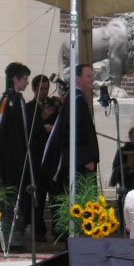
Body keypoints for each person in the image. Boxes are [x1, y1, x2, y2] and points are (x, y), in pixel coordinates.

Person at [42, 64, 100, 223]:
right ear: (77, 78)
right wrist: (87, 157)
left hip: (77, 160)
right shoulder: (77, 100)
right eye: (88, 76)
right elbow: (80, 132)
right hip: (80, 163)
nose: (92, 79)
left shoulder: (75, 98)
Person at [0, 62, 32, 250]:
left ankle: (10, 239)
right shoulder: (12, 100)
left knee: (11, 199)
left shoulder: (8, 100)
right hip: (12, 160)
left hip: (13, 158)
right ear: (15, 79)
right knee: (11, 199)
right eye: (25, 79)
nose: (27, 83)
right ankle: (11, 240)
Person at [24, 73, 58, 243]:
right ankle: (38, 230)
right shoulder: (29, 107)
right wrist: (42, 120)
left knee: (54, 195)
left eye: (46, 89)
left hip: (52, 158)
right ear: (34, 89)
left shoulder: (54, 105)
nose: (44, 92)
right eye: (41, 89)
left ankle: (58, 229)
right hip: (36, 159)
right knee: (37, 196)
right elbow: (28, 131)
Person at [109, 124, 134, 188]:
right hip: (128, 185)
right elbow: (116, 170)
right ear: (131, 138)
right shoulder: (122, 151)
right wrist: (127, 166)